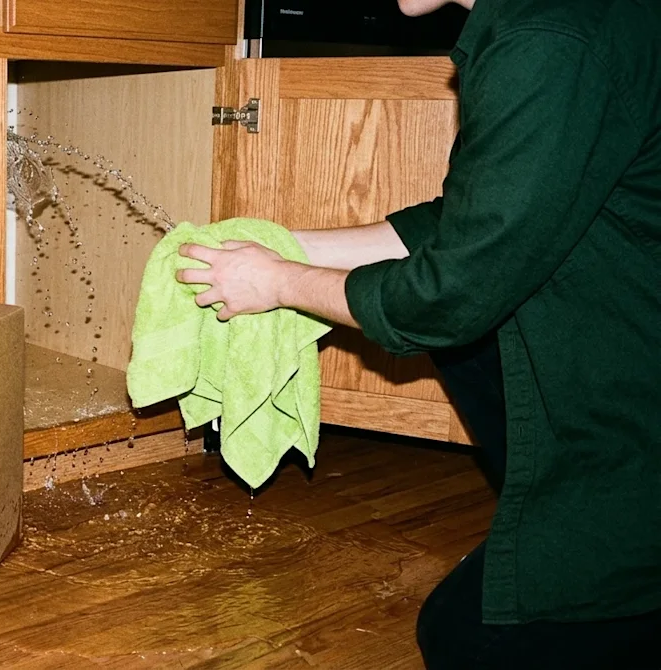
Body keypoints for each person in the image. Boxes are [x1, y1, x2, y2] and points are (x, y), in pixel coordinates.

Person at [176, 0, 661, 667]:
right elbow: (462, 225)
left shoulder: (548, 38)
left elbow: (451, 295)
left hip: (638, 422)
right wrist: (282, 248)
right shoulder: (557, 19)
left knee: (466, 641)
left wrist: (279, 284)